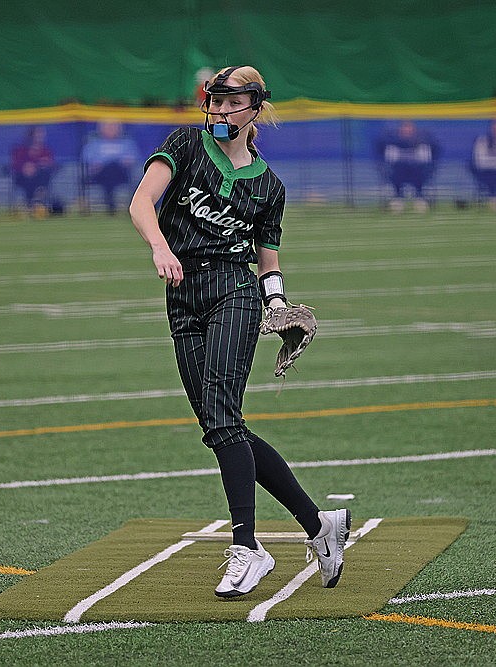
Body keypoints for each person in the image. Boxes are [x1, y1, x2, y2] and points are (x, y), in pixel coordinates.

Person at [128, 65, 350, 599]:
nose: (221, 111)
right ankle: (319, 525)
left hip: (234, 290)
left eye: (231, 103)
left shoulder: (269, 185)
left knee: (225, 419)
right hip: (182, 296)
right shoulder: (185, 144)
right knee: (220, 427)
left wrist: (276, 306)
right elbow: (141, 203)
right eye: (215, 101)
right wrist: (159, 246)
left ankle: (247, 547)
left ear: (254, 109)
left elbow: (267, 259)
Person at [375, 120, 440, 212]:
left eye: (409, 129)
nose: (407, 131)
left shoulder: (422, 140)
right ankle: (398, 198)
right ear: (400, 130)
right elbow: (385, 155)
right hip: (398, 173)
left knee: (421, 173)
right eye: (405, 129)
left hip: (418, 173)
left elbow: (431, 156)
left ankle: (419, 198)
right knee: (395, 173)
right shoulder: (392, 141)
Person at [81, 120, 137, 215]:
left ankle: (123, 204)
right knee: (109, 169)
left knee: (114, 167)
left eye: (114, 127)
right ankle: (110, 202)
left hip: (121, 174)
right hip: (99, 174)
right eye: (108, 127)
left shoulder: (127, 143)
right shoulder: (93, 144)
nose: (111, 130)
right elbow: (86, 160)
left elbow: (133, 159)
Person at [10, 126, 57, 211]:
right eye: (38, 133)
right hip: (23, 177)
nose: (41, 136)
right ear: (31, 135)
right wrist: (25, 167)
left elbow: (51, 164)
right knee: (29, 177)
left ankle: (38, 200)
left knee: (43, 173)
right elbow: (15, 164)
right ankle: (31, 203)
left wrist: (38, 165)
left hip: (40, 177)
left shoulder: (46, 150)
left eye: (42, 133)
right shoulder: (20, 149)